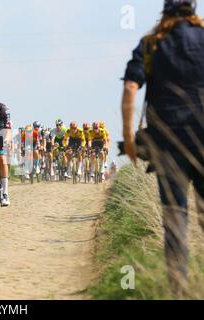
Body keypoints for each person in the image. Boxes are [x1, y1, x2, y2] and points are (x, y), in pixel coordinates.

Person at [121, 0, 203, 297]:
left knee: (175, 219)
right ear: (193, 11)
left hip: (168, 145)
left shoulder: (151, 43)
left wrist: (129, 138)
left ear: (164, 12)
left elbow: (131, 88)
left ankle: (179, 291)